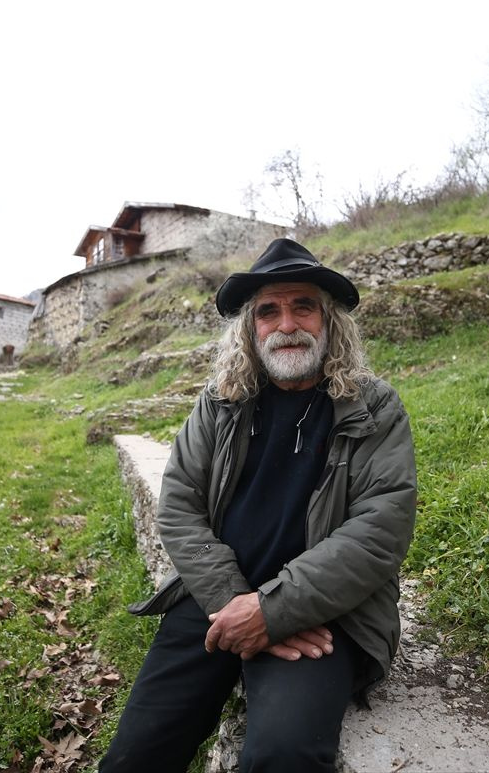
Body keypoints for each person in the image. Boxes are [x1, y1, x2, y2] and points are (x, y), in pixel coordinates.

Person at [99, 238, 417, 773]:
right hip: (216, 596)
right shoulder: (221, 400)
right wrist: (236, 602)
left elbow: (380, 528)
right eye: (269, 311)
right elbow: (178, 504)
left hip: (325, 613)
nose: (286, 324)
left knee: (283, 756)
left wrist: (273, 611)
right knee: (137, 753)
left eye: (303, 307)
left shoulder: (374, 405)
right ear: (251, 328)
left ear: (329, 321)